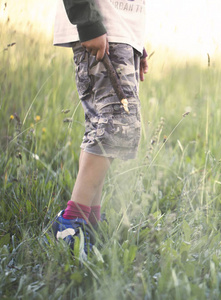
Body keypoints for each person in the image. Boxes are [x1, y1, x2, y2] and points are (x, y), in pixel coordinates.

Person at [51, 0, 148, 256]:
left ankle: (88, 225)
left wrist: (135, 40)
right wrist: (89, 21)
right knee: (117, 123)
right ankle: (72, 223)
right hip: (101, 26)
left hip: (118, 31)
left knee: (101, 125)